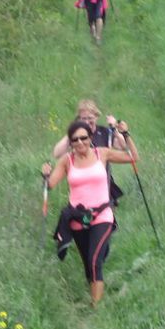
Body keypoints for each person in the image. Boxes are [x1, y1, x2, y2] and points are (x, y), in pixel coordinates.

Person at [42, 118, 138, 306]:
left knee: (95, 261)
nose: (80, 143)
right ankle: (95, 294)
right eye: (75, 140)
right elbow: (50, 185)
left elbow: (133, 157)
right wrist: (45, 175)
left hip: (102, 214)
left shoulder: (102, 153)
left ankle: (96, 308)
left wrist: (125, 135)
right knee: (89, 265)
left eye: (83, 138)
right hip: (77, 218)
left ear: (90, 137)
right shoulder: (66, 161)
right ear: (70, 142)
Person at [51, 99, 129, 207]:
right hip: (82, 187)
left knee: (107, 220)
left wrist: (115, 129)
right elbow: (57, 153)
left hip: (103, 185)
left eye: (90, 118)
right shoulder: (76, 136)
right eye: (83, 119)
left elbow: (124, 146)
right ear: (79, 119)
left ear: (96, 117)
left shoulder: (105, 132)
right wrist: (71, 132)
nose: (87, 122)